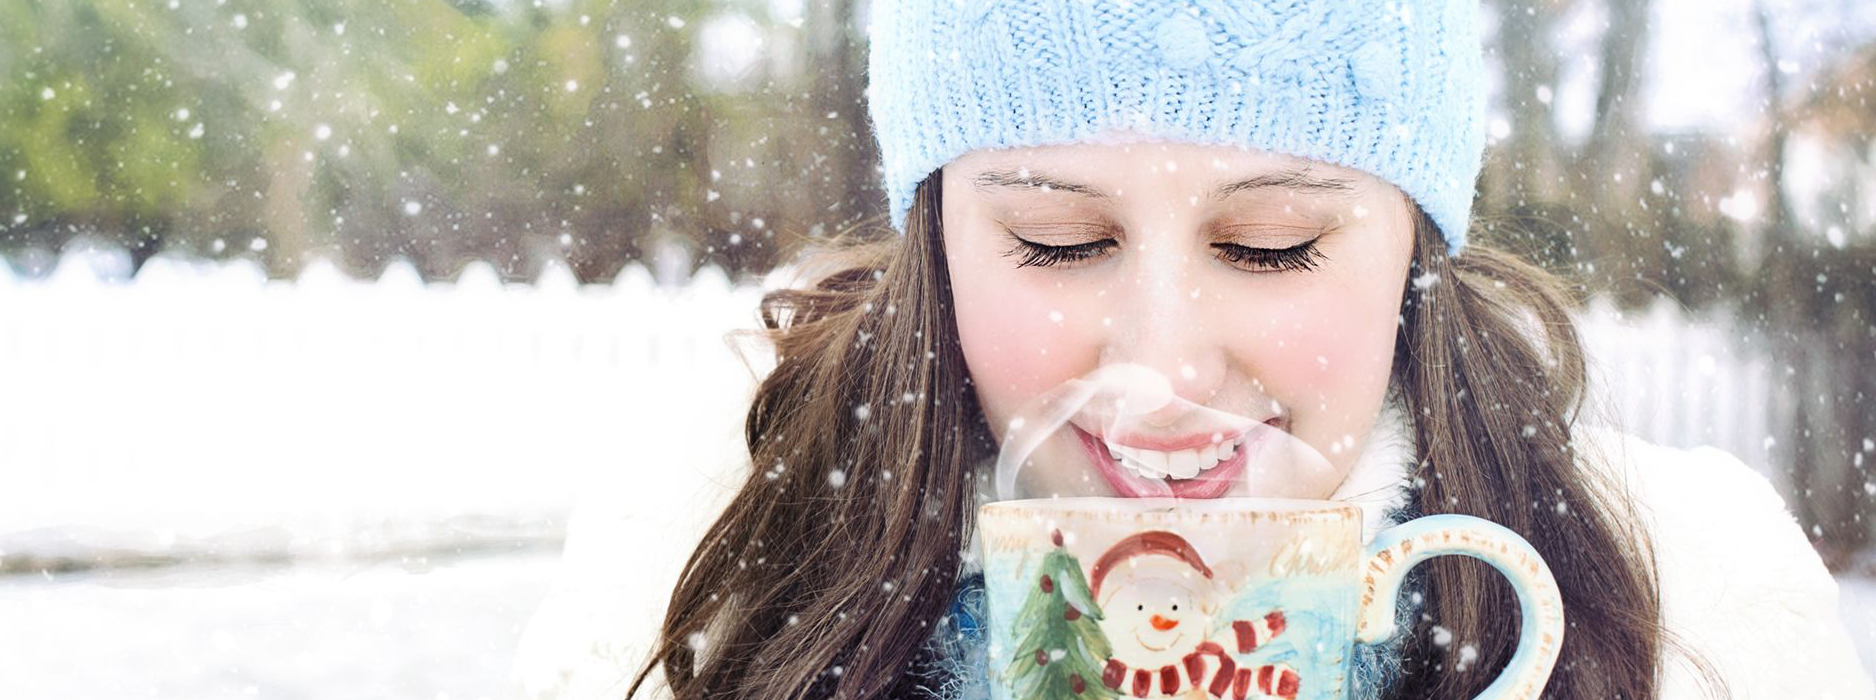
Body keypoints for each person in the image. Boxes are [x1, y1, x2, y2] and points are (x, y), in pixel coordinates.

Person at [626, 1, 1873, 698]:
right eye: (1057, 240)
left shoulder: (1693, 623)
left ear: (1413, 251)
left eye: (1274, 245)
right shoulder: (716, 588)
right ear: (937, 235)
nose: (1166, 373)